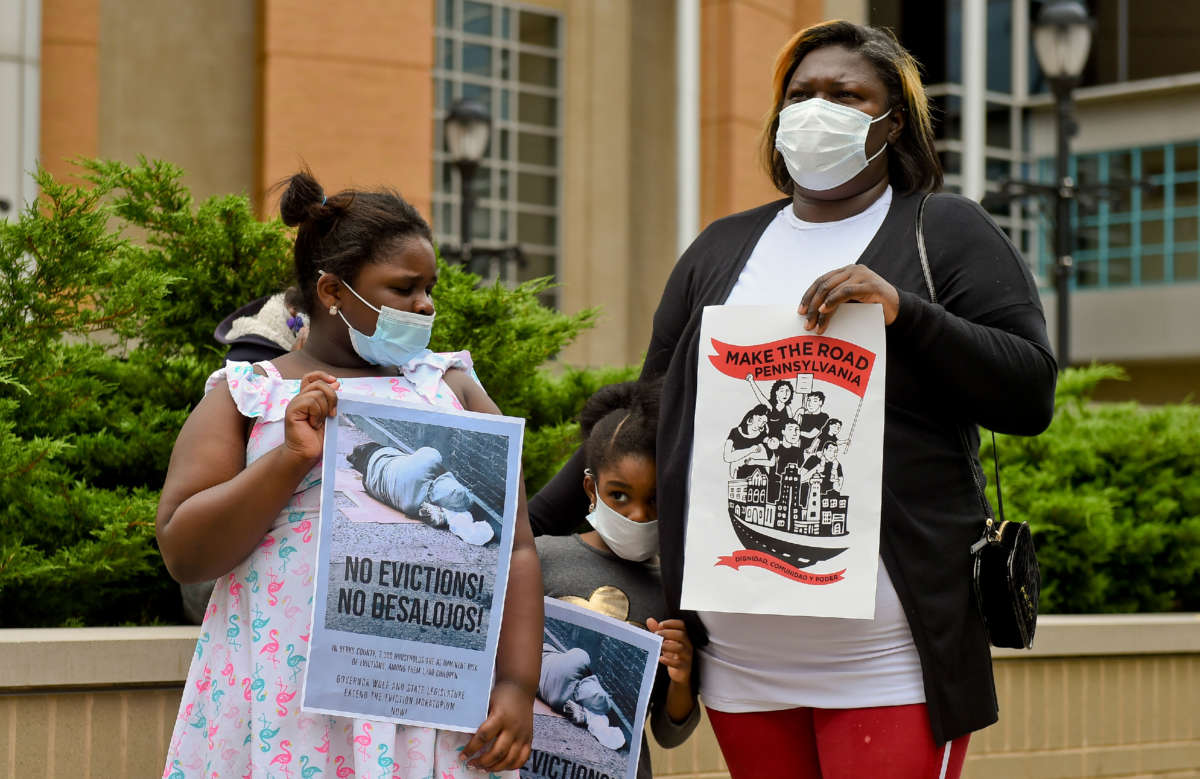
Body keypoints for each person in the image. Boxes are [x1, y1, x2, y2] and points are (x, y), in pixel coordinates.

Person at [529, 20, 1056, 779]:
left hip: (889, 655)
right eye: (801, 94)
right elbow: (644, 416)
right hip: (744, 664)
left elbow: (1030, 389)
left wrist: (908, 313)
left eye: (846, 94)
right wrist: (514, 527)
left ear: (892, 120)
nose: (818, 109)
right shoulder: (720, 249)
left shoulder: (941, 231)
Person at [156, 171, 542, 778]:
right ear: (333, 290)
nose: (426, 305)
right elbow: (185, 551)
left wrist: (519, 685)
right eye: (405, 288)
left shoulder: (452, 388)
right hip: (287, 693)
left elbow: (514, 549)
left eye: (429, 288)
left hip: (429, 700)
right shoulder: (248, 394)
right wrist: (290, 457)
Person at [535, 381, 700, 779]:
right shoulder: (541, 557)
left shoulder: (673, 588)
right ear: (592, 488)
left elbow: (668, 732)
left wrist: (682, 674)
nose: (638, 514)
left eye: (655, 499)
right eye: (619, 495)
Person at [722, 404, 774, 478]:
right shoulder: (735, 432)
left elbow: (772, 462)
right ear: (752, 417)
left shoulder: (763, 437)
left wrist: (754, 462)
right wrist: (750, 450)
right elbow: (727, 457)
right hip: (741, 476)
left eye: (764, 422)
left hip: (760, 476)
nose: (760, 424)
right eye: (759, 419)